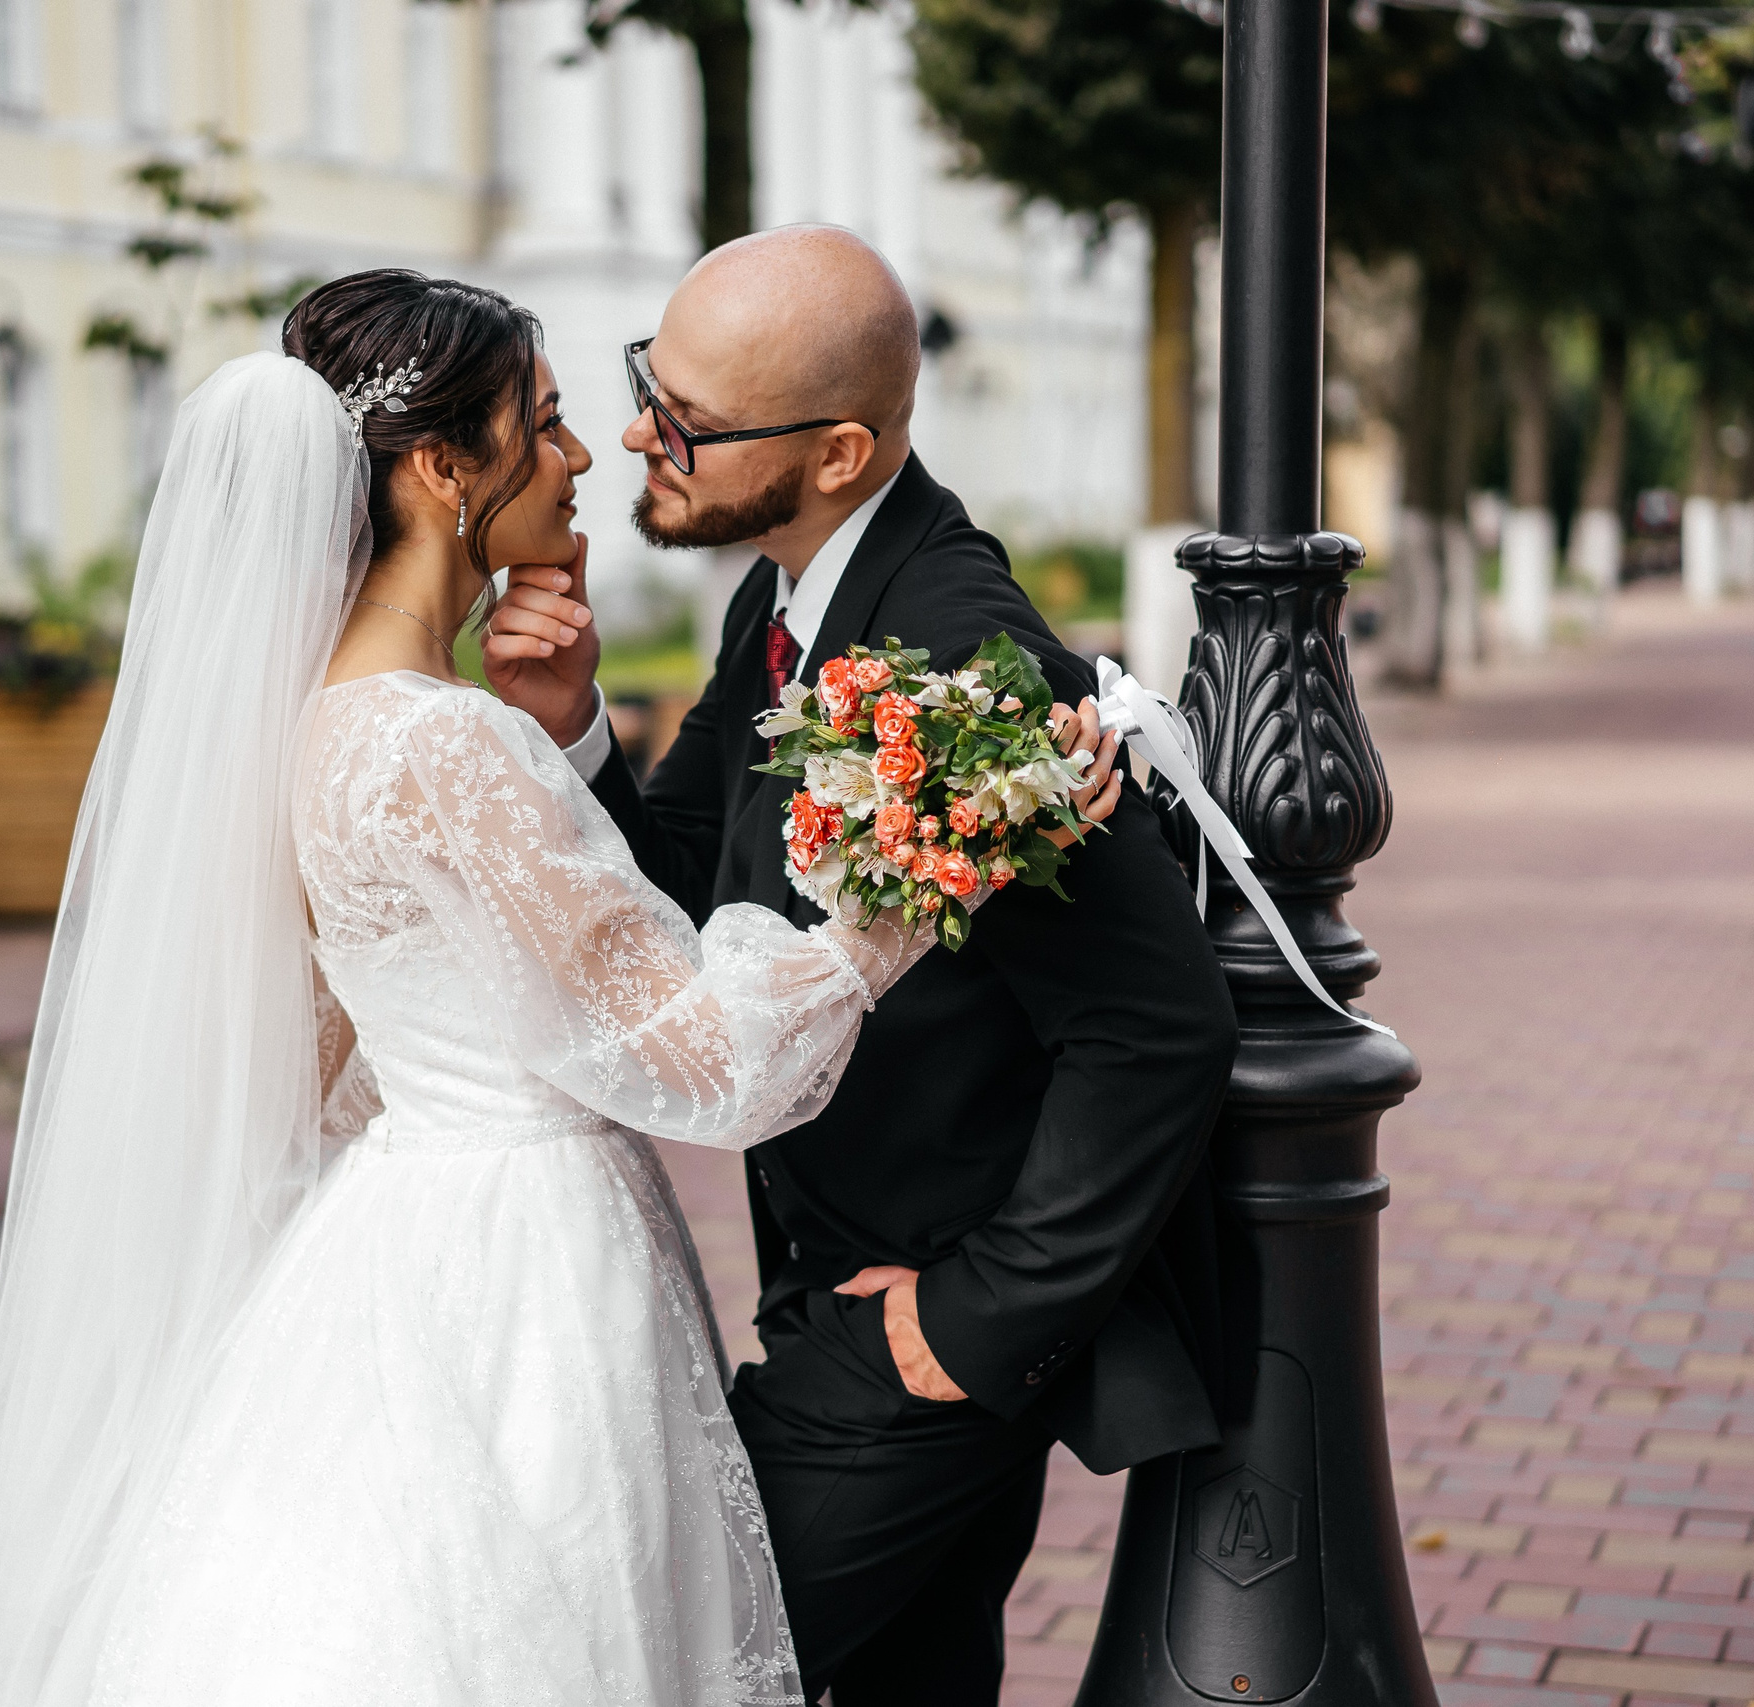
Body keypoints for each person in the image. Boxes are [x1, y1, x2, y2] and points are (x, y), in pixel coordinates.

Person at [0, 271, 1121, 1707]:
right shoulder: (445, 748)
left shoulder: (315, 730)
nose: (581, 457)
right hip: (524, 1275)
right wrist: (931, 863)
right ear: (445, 471)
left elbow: (340, 1057)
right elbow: (715, 1065)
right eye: (547, 423)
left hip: (394, 1235)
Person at [486, 227, 1241, 1707]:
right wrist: (576, 728)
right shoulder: (783, 600)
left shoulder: (957, 660)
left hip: (915, 1335)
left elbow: (1159, 1026)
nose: (643, 431)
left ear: (836, 450)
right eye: (653, 380)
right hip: (824, 1291)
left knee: (685, 1668)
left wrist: (970, 1326)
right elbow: (683, 889)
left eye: (687, 418)